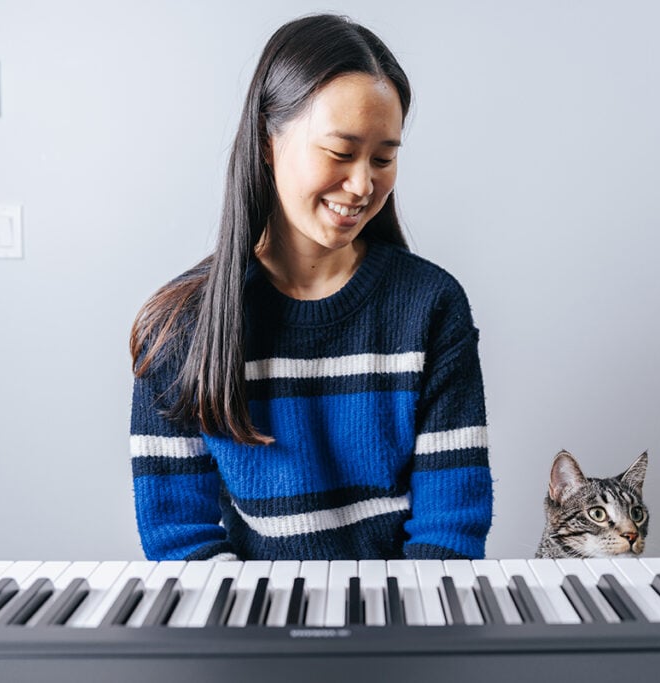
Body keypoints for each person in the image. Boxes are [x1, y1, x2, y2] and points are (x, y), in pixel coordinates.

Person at [129, 13, 492, 561]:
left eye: (384, 157)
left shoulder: (431, 306)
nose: (364, 184)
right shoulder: (179, 326)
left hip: (405, 626)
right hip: (248, 630)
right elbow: (181, 540)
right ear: (267, 141)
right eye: (340, 152)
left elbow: (449, 533)